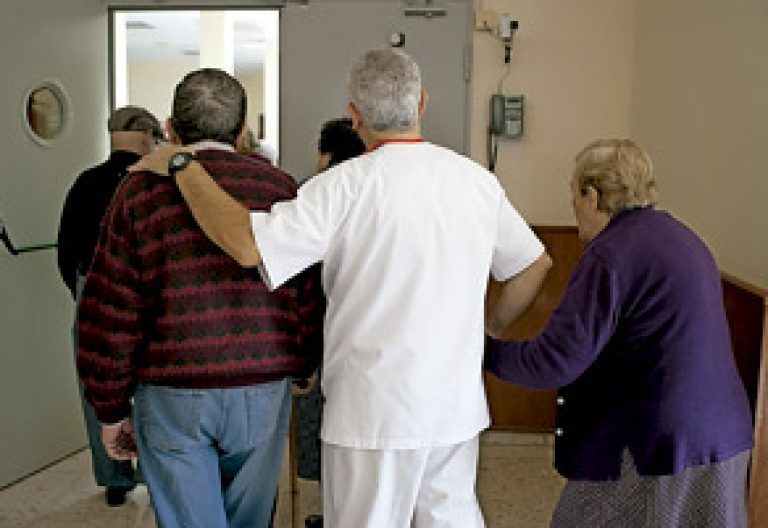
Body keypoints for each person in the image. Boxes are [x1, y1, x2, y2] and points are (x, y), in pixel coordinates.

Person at [130, 48, 552, 528]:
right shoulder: (475, 182)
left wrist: (183, 165)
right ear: (422, 103)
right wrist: (485, 331)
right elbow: (534, 266)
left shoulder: (341, 187)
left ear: (354, 115)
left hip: (370, 412)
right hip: (452, 410)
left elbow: (248, 246)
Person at [76, 68, 325, 528]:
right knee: (250, 519)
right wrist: (304, 363)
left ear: (170, 128)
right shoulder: (279, 189)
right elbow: (307, 291)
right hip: (261, 384)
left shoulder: (138, 191)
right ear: (243, 130)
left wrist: (109, 408)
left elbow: (110, 309)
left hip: (174, 392)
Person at [485, 139, 754, 527]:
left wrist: (481, 350)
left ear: (591, 195)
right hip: (723, 434)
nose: (573, 208)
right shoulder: (685, 238)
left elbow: (554, 361)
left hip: (658, 443)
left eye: (574, 195)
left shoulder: (610, 255)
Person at [56, 104, 162, 506]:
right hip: (150, 292)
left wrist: (84, 293)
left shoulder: (84, 184)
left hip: (92, 289)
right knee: (152, 385)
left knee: (97, 386)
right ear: (147, 138)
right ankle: (156, 474)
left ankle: (115, 478)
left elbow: (65, 252)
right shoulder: (153, 183)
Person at [290, 117, 365, 528]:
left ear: (325, 154)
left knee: (320, 425)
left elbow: (298, 279)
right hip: (365, 330)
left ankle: (331, 511)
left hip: (318, 326)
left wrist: (300, 357)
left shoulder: (313, 194)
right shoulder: (379, 191)